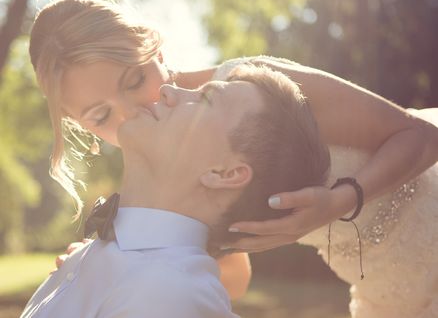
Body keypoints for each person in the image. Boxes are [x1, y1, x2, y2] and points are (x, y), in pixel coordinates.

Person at [29, 0, 438, 316]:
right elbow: (231, 279)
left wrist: (339, 201)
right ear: (82, 127)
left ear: (151, 48)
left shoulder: (254, 91)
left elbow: (421, 136)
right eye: (101, 115)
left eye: (135, 80)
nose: (132, 114)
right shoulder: (170, 170)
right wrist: (103, 265)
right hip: (382, 285)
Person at [21, 65, 330, 318]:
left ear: (225, 174)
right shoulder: (91, 256)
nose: (166, 91)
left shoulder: (170, 297)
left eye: (206, 99)